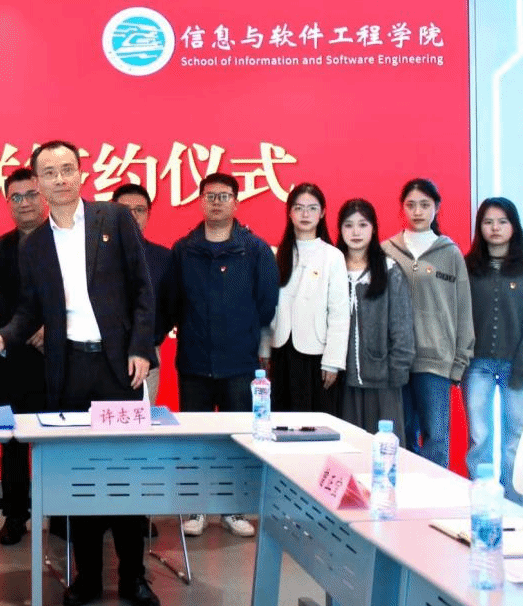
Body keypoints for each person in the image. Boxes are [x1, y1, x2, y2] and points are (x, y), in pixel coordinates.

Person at [0, 140, 161, 606]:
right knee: (79, 476)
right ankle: (87, 576)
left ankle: (133, 577)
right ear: (38, 182)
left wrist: (141, 348)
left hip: (119, 368)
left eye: (67, 169)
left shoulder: (114, 219)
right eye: (50, 172)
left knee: (124, 475)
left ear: (81, 174)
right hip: (69, 371)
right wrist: (1, 338)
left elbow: (143, 289)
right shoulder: (34, 245)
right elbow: (29, 311)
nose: (60, 179)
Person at [162, 172, 276, 539]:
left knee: (235, 437)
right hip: (194, 360)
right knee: (194, 438)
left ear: (236, 202)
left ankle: (233, 508)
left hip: (239, 362)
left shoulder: (255, 249)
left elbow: (266, 303)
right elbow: (172, 302)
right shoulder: (184, 249)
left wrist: (243, 332)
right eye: (210, 196)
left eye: (224, 196)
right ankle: (195, 508)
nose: (217, 202)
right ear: (200, 201)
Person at [382, 177, 474, 469]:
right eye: (411, 205)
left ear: (437, 207)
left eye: (424, 205)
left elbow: (463, 310)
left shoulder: (450, 253)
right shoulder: (386, 250)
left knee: (436, 437)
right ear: (402, 209)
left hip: (435, 361)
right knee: (402, 436)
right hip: (396, 361)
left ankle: (435, 494)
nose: (418, 211)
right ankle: (403, 493)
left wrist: (460, 361)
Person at [0, 167, 47, 547]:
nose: (24, 203)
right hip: (14, 358)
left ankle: (63, 513)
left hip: (58, 357)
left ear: (43, 196)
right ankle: (15, 515)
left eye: (31, 194)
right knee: (13, 441)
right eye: (16, 197)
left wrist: (50, 329)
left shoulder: (65, 239)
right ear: (8, 203)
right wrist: (27, 330)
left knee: (58, 439)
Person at [463, 197, 523, 504]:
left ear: (514, 226)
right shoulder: (469, 267)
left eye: (502, 222)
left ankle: (513, 505)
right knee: (479, 437)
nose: (495, 228)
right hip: (477, 365)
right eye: (488, 222)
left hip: (516, 365)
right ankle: (482, 501)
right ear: (480, 227)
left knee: (514, 441)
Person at [259, 183, 350, 416]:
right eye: (298, 208)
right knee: (281, 419)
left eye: (312, 208)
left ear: (323, 213)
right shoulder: (276, 254)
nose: (305, 214)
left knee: (313, 422)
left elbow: (339, 314)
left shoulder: (333, 256)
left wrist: (332, 362)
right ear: (289, 213)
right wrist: (265, 350)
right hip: (281, 349)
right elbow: (267, 308)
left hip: (316, 354)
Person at [335, 199, 414, 439]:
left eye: (363, 225)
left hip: (383, 381)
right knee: (348, 447)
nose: (356, 232)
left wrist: (397, 372)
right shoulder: (332, 267)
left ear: (373, 228)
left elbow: (402, 327)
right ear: (340, 229)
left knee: (384, 448)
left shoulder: (390, 270)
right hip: (341, 381)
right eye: (348, 225)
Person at [113, 182, 172, 406]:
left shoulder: (162, 258)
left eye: (139, 210)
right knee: (102, 420)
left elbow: (171, 307)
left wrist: (150, 336)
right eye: (125, 210)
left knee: (141, 420)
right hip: (101, 354)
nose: (133, 216)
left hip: (146, 353)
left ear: (148, 214)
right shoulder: (94, 255)